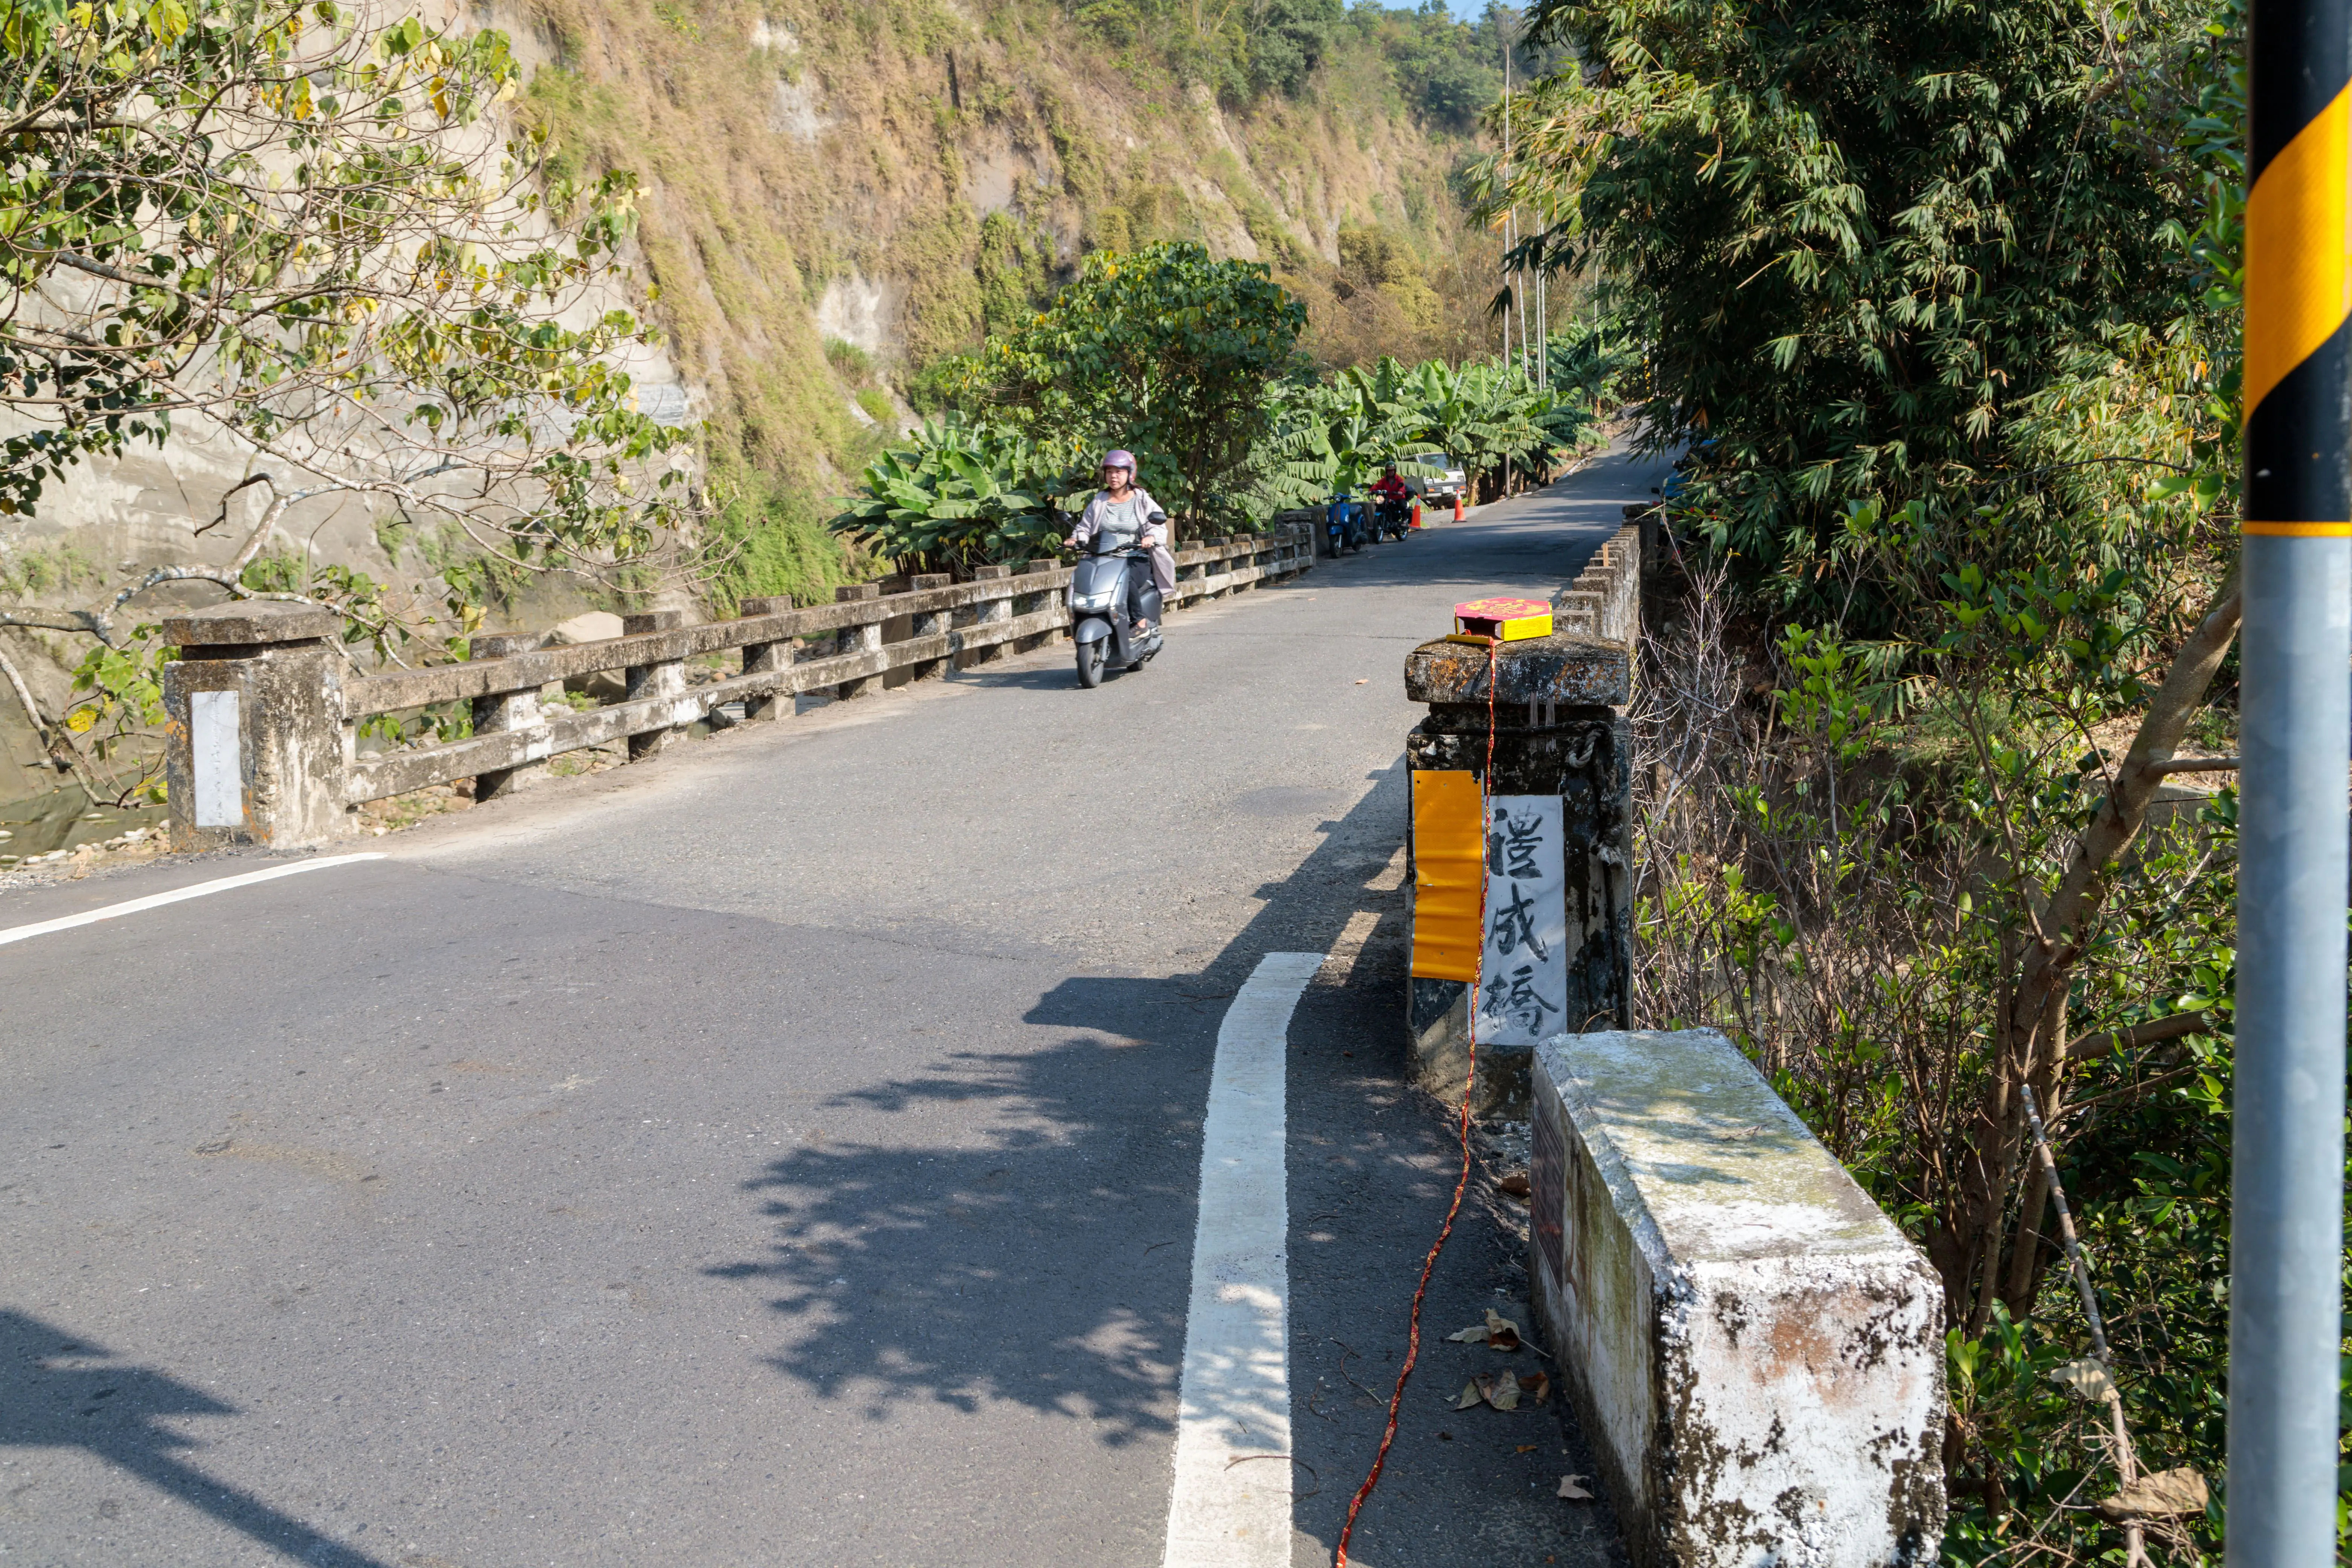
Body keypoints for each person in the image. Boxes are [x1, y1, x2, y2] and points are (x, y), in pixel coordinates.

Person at [1065, 449, 1173, 634]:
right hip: (1104, 558)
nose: (1113, 476)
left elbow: (1157, 524)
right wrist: (1076, 539)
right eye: (1109, 472)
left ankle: (1140, 622)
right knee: (1083, 579)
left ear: (1130, 474)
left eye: (1119, 472)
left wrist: (1151, 537)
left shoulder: (1141, 499)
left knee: (1125, 578)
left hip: (1135, 557)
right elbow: (1085, 527)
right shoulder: (1099, 501)